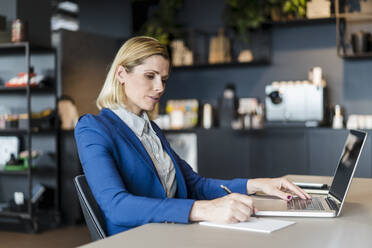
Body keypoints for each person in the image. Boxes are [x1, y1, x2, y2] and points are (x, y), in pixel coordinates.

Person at [74, 36, 310, 236]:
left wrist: (257, 185)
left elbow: (195, 185)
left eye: (164, 79)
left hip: (170, 233)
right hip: (137, 238)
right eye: (150, 76)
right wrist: (203, 210)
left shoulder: (150, 129)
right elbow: (117, 206)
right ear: (121, 74)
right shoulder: (93, 127)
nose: (160, 87)